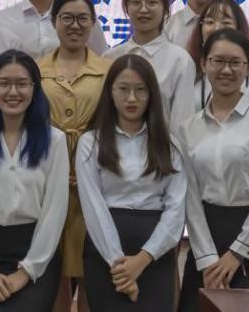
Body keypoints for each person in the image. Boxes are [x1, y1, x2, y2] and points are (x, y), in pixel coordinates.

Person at [176, 29, 249, 312]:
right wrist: (207, 258)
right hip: (207, 233)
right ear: (204, 64)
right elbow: (190, 197)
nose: (226, 70)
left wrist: (239, 251)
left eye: (235, 62)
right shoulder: (188, 128)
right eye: (218, 61)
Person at [76, 54, 186, 312]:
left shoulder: (170, 145)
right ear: (110, 92)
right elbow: (93, 208)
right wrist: (120, 266)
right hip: (106, 251)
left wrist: (142, 260)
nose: (132, 98)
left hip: (156, 252)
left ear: (151, 95)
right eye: (123, 89)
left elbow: (176, 209)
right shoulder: (90, 143)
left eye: (140, 90)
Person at [0, 50, 69, 310]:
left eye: (22, 84)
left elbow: (54, 213)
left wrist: (27, 271)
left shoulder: (55, 141)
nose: (13, 92)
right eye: (4, 83)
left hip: (36, 256)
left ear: (35, 88)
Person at [35, 0, 110, 312]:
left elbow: (113, 127)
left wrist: (92, 171)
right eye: (67, 18)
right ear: (54, 21)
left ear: (93, 23)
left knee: (94, 268)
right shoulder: (36, 70)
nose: (75, 25)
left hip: (94, 181)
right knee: (52, 272)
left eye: (83, 19)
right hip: (47, 180)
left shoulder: (109, 70)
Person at [103, 0, 197, 127]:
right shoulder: (110, 58)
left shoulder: (180, 60)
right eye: (136, 2)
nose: (143, 9)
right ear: (126, 9)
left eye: (152, 2)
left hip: (163, 142)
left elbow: (183, 123)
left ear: (165, 9)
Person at [184, 0, 249, 111]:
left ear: (239, 28)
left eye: (226, 23)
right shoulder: (188, 72)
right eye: (210, 22)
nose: (217, 28)